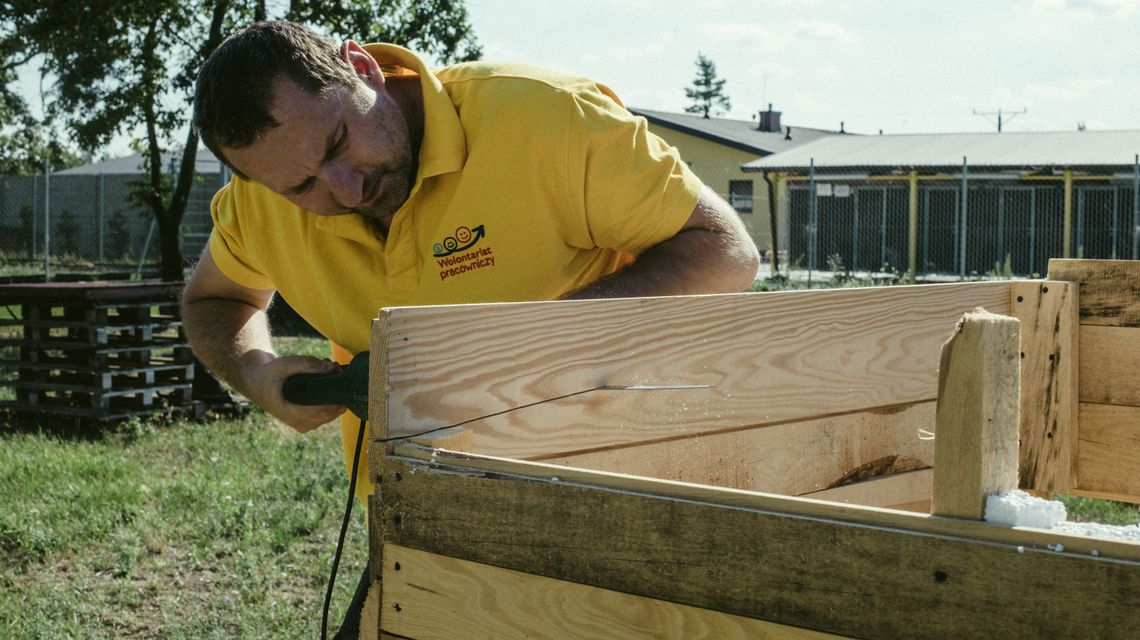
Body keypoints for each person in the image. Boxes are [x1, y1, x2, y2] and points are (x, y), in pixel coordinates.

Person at [183, 19, 759, 636]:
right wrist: (257, 373)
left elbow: (724, 250)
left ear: (364, 68)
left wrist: (530, 345)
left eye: (338, 143)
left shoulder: (545, 118)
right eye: (303, 186)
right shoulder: (260, 204)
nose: (347, 189)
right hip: (420, 517)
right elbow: (214, 300)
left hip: (614, 502)